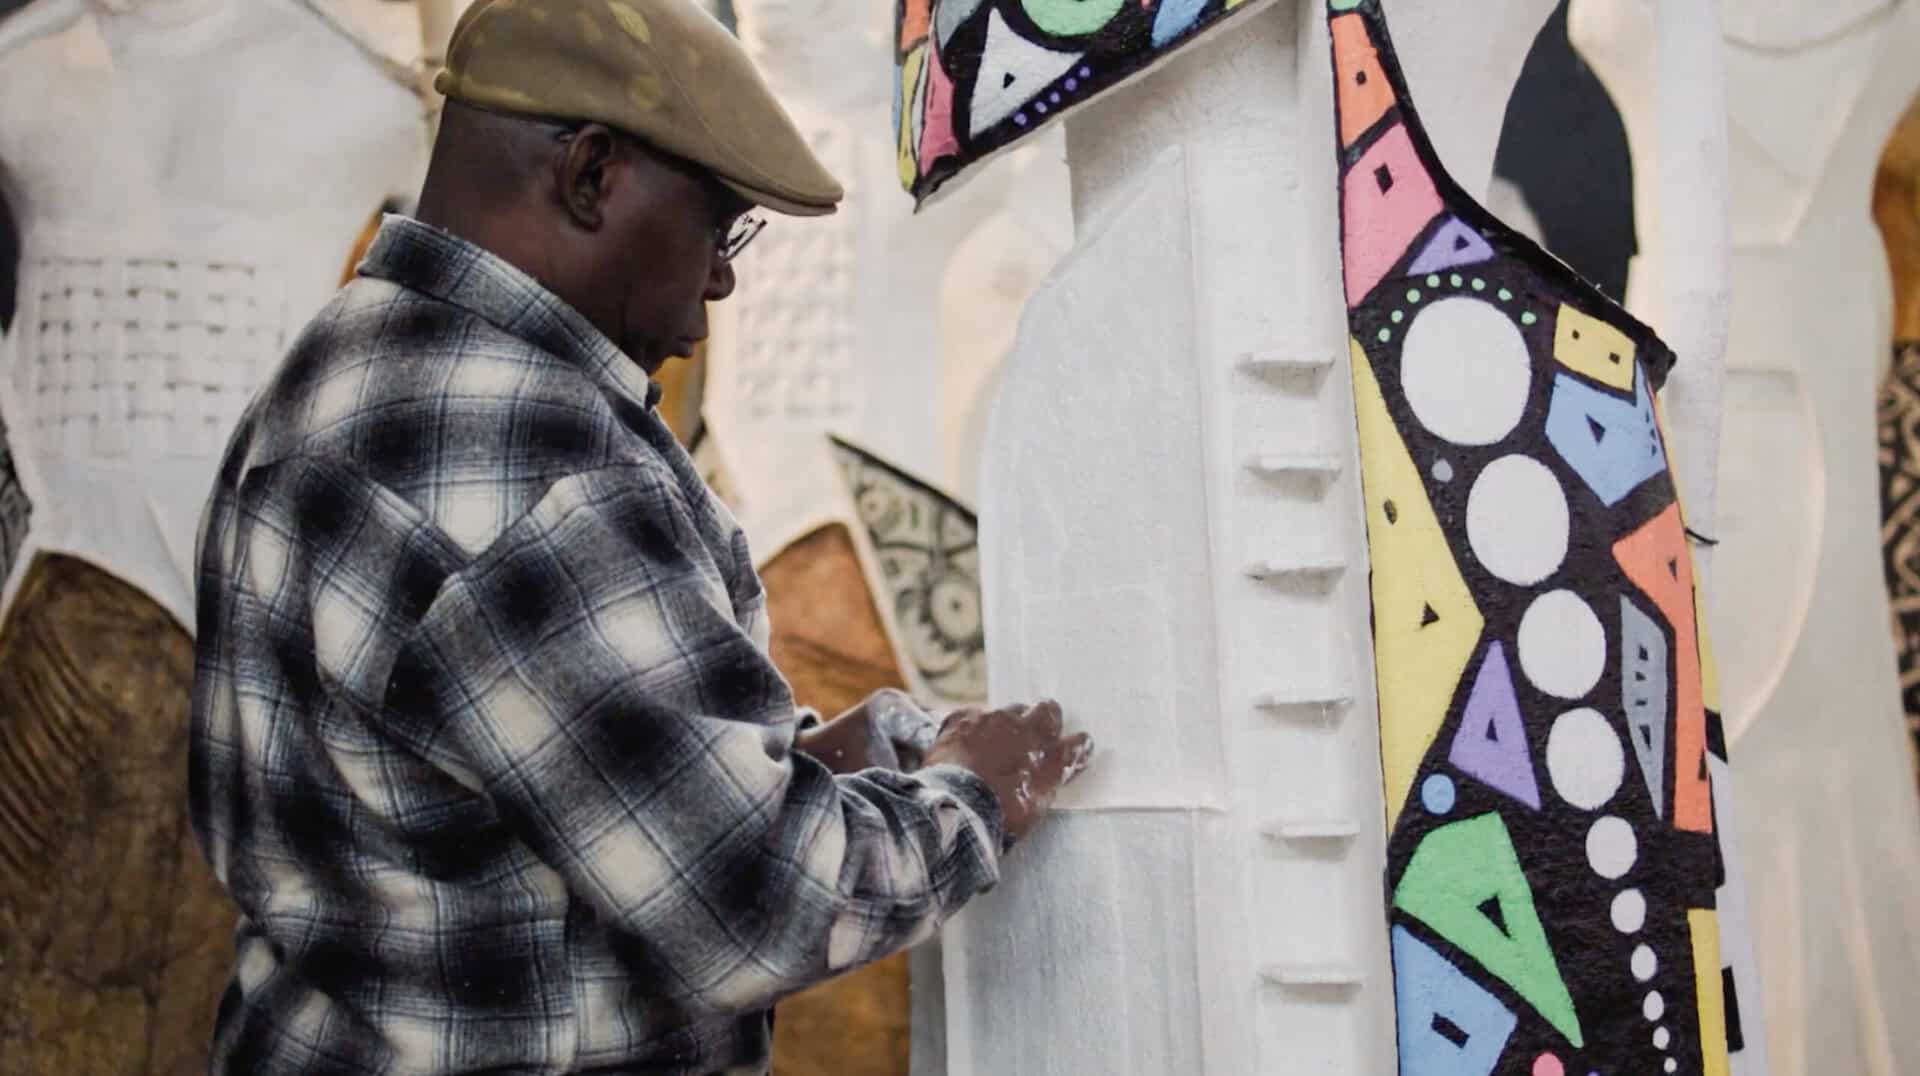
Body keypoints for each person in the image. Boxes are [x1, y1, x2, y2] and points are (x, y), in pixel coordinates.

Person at [185, 0, 1093, 1072]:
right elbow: (752, 904)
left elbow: (490, 786)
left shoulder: (347, 362)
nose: (722, 279)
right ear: (590, 174)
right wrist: (978, 793)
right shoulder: (527, 456)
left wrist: (810, 762)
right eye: (719, 226)